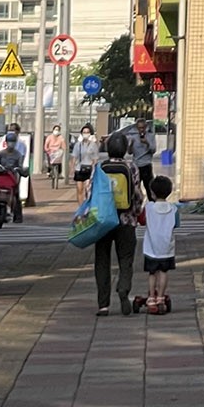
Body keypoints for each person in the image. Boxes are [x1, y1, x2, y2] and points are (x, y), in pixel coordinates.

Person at [83, 130, 142, 316]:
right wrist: (136, 213)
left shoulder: (99, 167)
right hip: (126, 220)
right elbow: (137, 195)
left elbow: (89, 193)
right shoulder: (131, 167)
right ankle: (123, 288)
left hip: (103, 221)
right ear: (125, 149)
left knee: (102, 260)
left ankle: (103, 304)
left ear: (107, 149)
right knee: (126, 259)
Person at [137, 173, 179, 312]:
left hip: (151, 247)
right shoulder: (174, 209)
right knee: (163, 272)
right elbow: (176, 224)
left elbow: (142, 221)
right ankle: (161, 297)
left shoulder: (149, 208)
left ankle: (151, 298)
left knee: (152, 273)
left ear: (152, 193)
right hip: (167, 247)